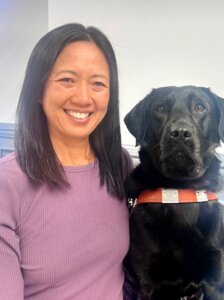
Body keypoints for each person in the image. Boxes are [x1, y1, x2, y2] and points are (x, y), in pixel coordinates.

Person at [0, 23, 134, 299]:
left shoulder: (118, 165)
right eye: (67, 80)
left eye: (98, 83)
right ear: (38, 89)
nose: (83, 98)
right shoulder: (7, 185)